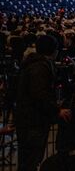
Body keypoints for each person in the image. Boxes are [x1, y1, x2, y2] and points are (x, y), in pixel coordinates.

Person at [15, 35, 72, 171]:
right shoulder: (40, 67)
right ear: (53, 50)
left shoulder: (34, 63)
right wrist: (56, 110)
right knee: (30, 160)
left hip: (29, 119)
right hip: (33, 121)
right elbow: (39, 94)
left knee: (29, 160)